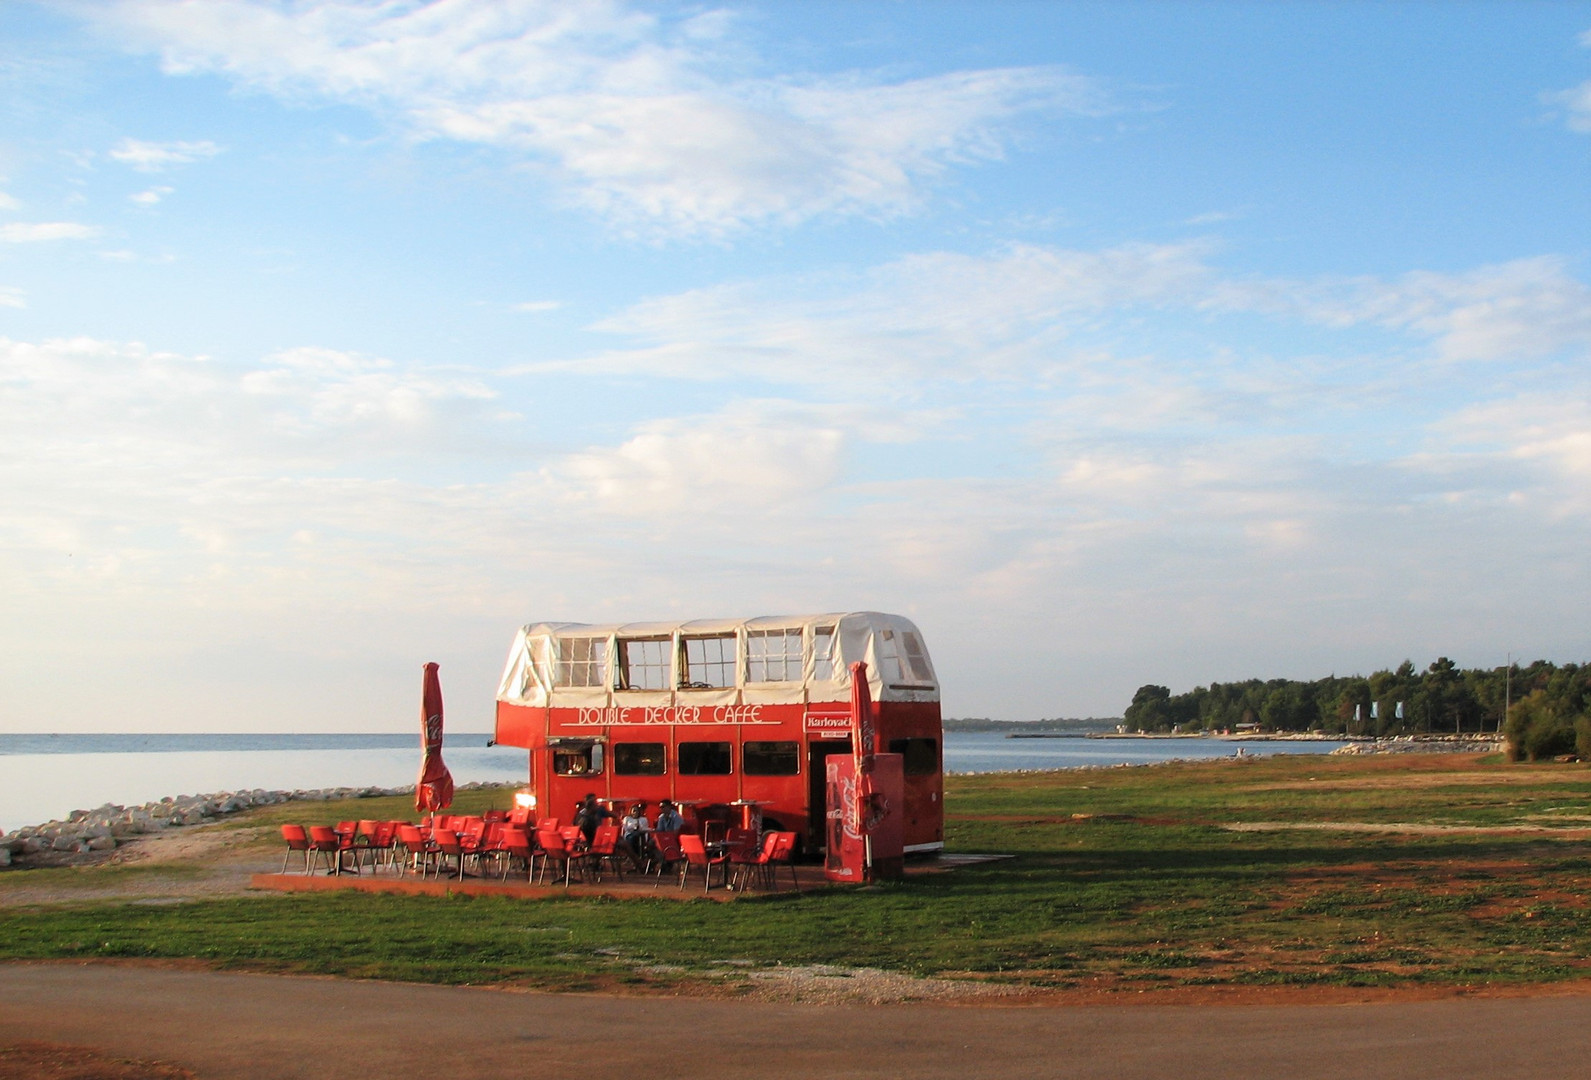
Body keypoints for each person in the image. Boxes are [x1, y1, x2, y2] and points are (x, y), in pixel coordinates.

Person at [619, 803, 651, 868]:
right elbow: (625, 828)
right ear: (631, 811)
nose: (635, 812)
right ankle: (636, 858)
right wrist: (633, 827)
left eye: (637, 811)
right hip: (629, 834)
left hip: (641, 834)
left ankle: (637, 858)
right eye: (634, 811)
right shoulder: (627, 818)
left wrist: (639, 826)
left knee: (638, 836)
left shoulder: (643, 819)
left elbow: (645, 828)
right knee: (633, 838)